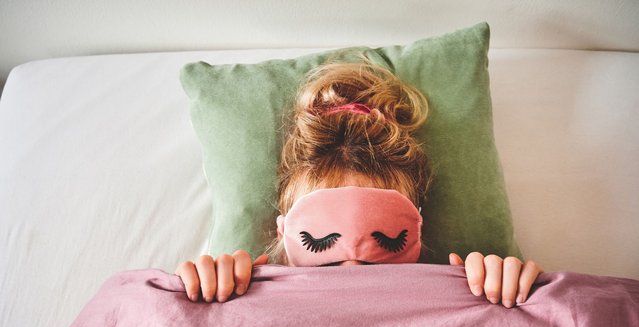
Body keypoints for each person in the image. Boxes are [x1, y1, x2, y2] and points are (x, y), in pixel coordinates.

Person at [175, 60, 543, 309]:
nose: (352, 268)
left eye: (386, 241)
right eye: (318, 242)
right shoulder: (244, 296)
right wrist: (202, 296)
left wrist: (513, 292)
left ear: (417, 232)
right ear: (283, 239)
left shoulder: (457, 295)